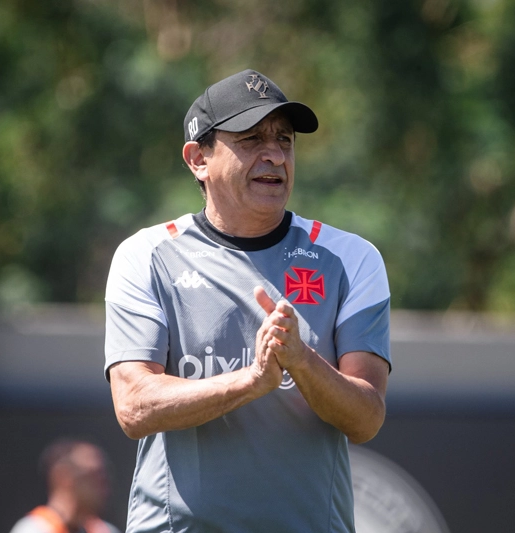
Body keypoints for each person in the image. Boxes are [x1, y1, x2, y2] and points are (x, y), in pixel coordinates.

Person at [104, 69, 391, 532]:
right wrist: (251, 381)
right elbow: (134, 405)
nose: (275, 155)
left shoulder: (351, 257)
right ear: (199, 158)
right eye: (252, 139)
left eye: (285, 140)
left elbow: (366, 418)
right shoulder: (146, 255)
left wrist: (301, 360)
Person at [9, 439, 120, 533]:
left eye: (104, 477)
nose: (104, 485)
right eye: (94, 475)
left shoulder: (104, 530)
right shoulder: (33, 529)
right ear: (64, 476)